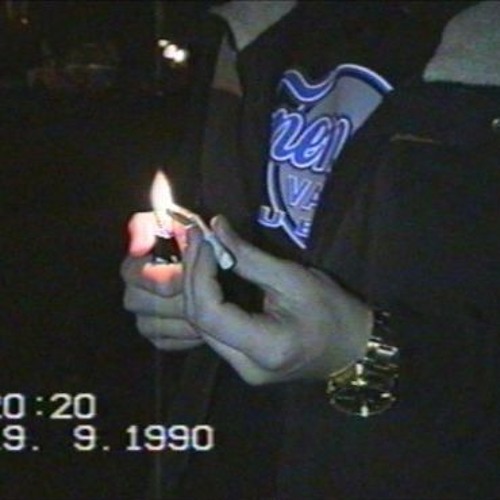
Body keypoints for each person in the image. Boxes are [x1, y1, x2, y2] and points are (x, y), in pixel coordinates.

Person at [121, 1, 500, 498]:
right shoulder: (253, 29)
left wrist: (365, 351)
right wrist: (179, 292)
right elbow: (208, 217)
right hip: (225, 464)